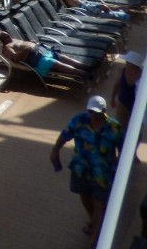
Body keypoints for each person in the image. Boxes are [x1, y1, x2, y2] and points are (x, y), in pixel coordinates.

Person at [49, 96, 122, 245]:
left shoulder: (115, 128)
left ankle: (96, 238)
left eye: (96, 112)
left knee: (100, 204)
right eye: (90, 111)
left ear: (104, 111)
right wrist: (55, 150)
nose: (92, 115)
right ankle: (93, 219)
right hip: (81, 169)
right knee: (85, 196)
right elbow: (65, 135)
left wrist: (119, 170)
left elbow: (124, 150)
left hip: (103, 174)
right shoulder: (79, 120)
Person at [0, 32, 90, 80]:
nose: (9, 35)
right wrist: (26, 49)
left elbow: (23, 45)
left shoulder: (13, 40)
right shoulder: (7, 47)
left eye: (8, 34)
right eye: (6, 36)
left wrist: (31, 43)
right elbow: (14, 57)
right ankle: (83, 74)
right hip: (35, 59)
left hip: (41, 50)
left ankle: (86, 67)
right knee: (56, 63)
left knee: (62, 57)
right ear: (3, 39)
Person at [111, 50, 142, 132]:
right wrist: (112, 98)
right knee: (120, 128)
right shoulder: (122, 71)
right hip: (122, 104)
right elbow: (116, 85)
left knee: (134, 130)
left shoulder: (142, 77)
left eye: (129, 65)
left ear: (136, 67)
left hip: (136, 107)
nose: (127, 66)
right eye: (127, 64)